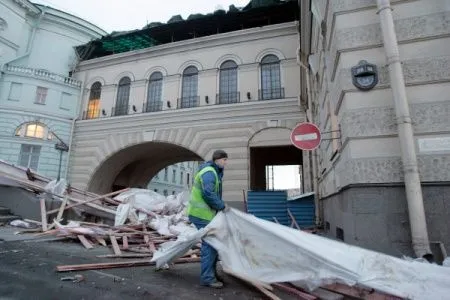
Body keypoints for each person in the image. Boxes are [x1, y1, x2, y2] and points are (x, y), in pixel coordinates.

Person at [187, 149, 230, 288]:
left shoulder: (213, 172)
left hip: (204, 214)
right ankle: (207, 278)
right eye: (224, 160)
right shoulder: (209, 173)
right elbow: (208, 193)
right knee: (211, 244)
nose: (226, 162)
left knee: (214, 243)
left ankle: (211, 273)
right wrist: (222, 206)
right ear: (217, 159)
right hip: (201, 214)